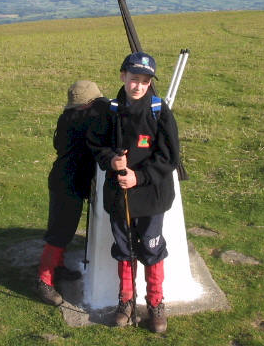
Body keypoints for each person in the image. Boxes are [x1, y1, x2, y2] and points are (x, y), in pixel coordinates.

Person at [87, 52, 180, 333]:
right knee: (125, 250)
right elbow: (96, 144)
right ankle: (126, 301)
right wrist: (111, 160)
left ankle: (155, 304)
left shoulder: (159, 111)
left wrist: (138, 176)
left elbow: (169, 157)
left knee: (152, 250)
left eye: (144, 81)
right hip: (119, 197)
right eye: (133, 79)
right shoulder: (110, 111)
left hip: (151, 196)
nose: (138, 86)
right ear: (122, 77)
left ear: (150, 83)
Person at [36, 80, 106, 306]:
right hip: (67, 183)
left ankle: (58, 267)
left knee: (65, 229)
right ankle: (44, 282)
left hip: (65, 180)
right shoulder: (85, 118)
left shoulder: (69, 117)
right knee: (59, 232)